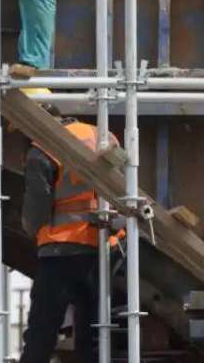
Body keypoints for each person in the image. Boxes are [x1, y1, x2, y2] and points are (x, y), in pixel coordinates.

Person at [18, 103, 123, 363]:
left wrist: (30, 230)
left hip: (60, 251)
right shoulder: (101, 136)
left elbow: (36, 209)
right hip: (102, 247)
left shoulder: (41, 150)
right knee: (95, 333)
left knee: (41, 333)